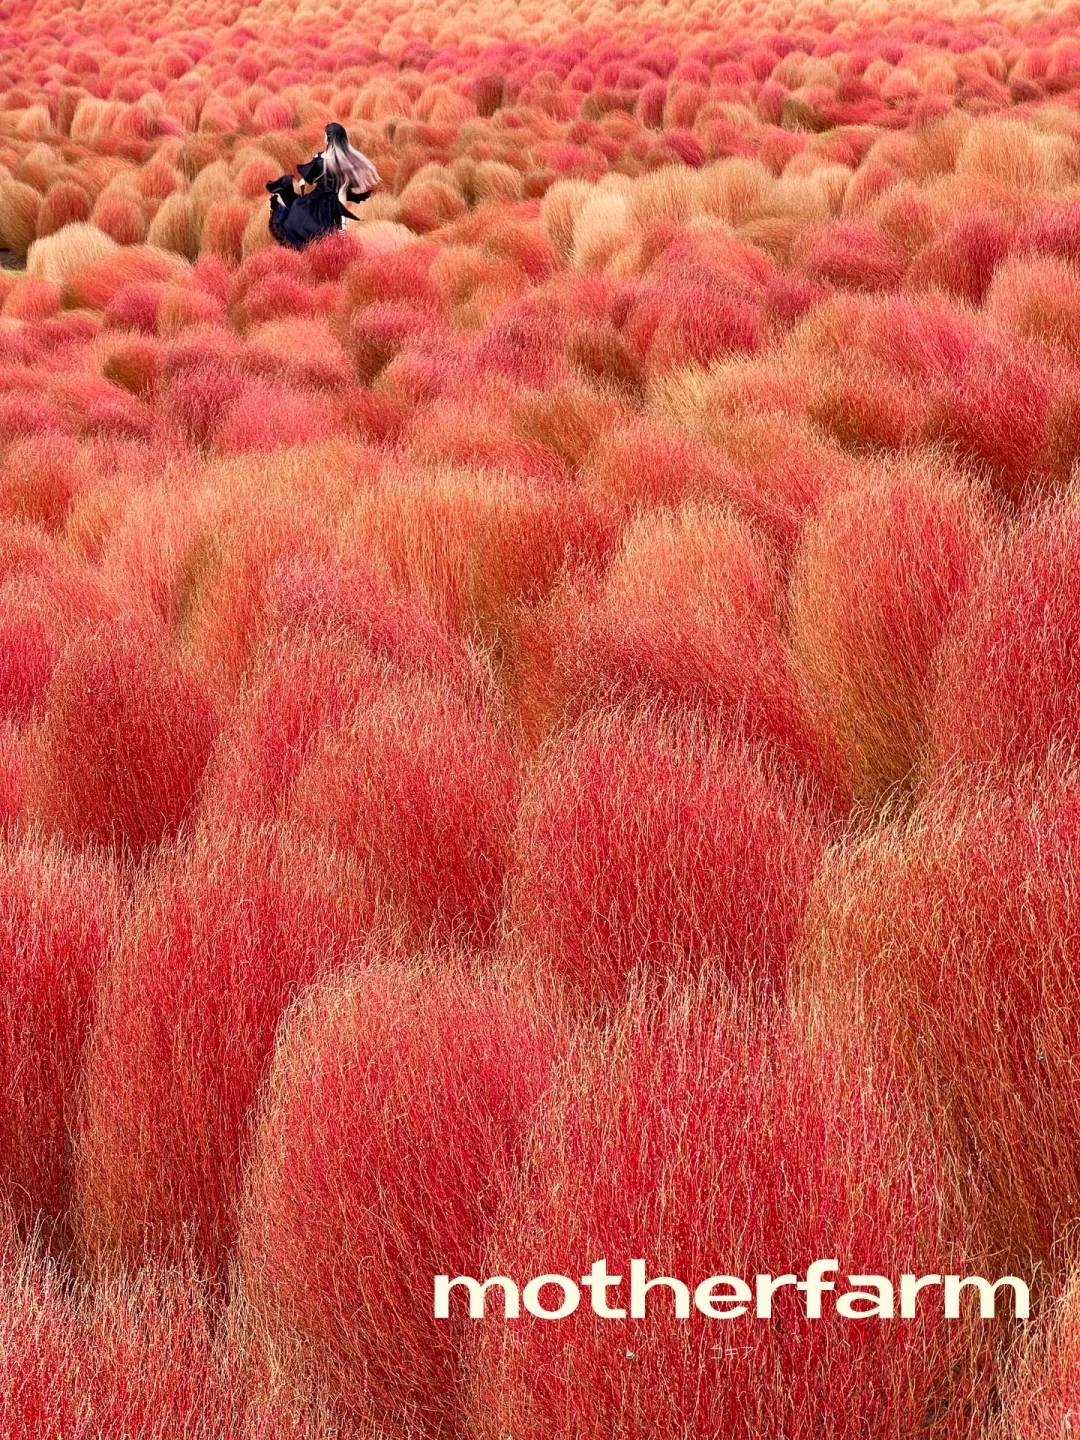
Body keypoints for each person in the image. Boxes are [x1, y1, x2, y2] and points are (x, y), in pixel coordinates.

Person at [267, 122, 381, 250]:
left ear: (329, 138)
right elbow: (341, 195)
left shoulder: (320, 158)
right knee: (322, 235)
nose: (324, 137)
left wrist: (301, 196)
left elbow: (304, 182)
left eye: (326, 135)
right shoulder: (342, 165)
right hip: (330, 208)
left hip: (316, 201)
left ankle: (304, 253)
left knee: (298, 219)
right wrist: (343, 225)